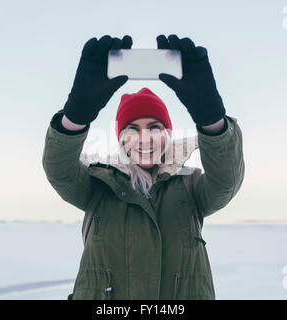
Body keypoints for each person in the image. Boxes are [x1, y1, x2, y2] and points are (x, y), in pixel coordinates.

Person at [42, 34, 245, 300]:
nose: (144, 138)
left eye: (154, 128)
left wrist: (212, 121)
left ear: (168, 134)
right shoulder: (97, 185)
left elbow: (225, 181)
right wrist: (75, 117)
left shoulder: (190, 186)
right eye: (132, 129)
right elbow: (60, 171)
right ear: (120, 138)